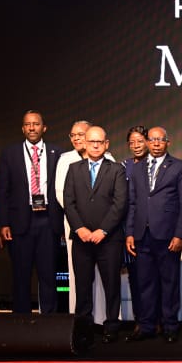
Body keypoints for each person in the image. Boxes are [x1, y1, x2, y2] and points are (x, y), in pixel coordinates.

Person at [125, 126, 182, 342]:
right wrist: (129, 233)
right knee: (145, 283)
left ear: (167, 143)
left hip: (168, 235)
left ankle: (170, 325)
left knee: (169, 283)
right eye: (152, 139)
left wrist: (179, 235)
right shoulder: (136, 168)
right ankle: (146, 326)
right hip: (141, 234)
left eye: (160, 140)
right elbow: (132, 203)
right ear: (147, 142)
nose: (155, 143)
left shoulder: (180, 167)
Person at [62, 125, 128, 343]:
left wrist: (103, 230)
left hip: (109, 239)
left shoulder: (117, 169)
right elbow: (69, 202)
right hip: (81, 238)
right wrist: (79, 228)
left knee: (112, 285)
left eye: (100, 142)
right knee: (82, 286)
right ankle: (83, 328)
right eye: (92, 141)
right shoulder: (74, 169)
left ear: (106, 144)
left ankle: (112, 326)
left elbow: (120, 204)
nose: (96, 145)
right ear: (85, 144)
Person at [0, 110, 63, 314]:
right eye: (28, 124)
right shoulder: (10, 153)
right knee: (21, 275)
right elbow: (2, 191)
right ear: (23, 128)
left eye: (36, 124)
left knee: (49, 274)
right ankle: (21, 321)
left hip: (49, 221)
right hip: (20, 221)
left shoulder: (57, 152)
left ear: (44, 128)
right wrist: (3, 223)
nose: (32, 128)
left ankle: (49, 320)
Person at [55, 119, 114, 316]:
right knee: (80, 277)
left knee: (107, 278)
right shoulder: (67, 160)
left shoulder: (110, 160)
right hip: (77, 227)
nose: (77, 138)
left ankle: (104, 319)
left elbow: (116, 199)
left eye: (81, 134)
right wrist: (80, 226)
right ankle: (81, 319)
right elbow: (63, 195)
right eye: (74, 135)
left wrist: (102, 228)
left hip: (105, 229)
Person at [122, 125, 149, 324]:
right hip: (130, 228)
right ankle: (140, 321)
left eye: (140, 141)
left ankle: (156, 320)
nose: (136, 145)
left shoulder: (156, 164)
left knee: (152, 278)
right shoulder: (124, 166)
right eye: (132, 142)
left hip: (152, 229)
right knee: (135, 277)